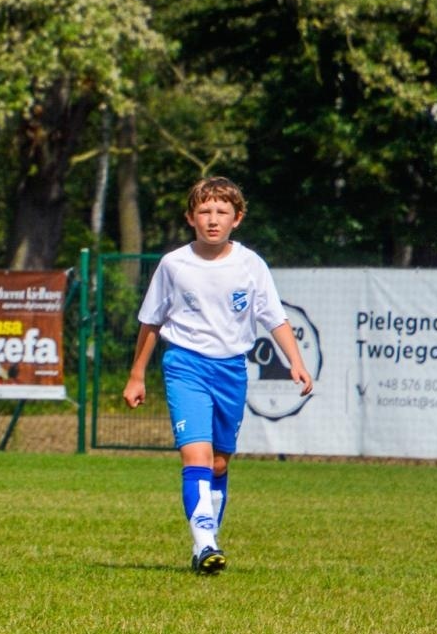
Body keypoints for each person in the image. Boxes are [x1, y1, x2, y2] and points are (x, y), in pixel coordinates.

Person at [123, 176, 314, 574]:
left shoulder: (250, 264)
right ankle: (206, 542)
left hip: (231, 369)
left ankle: (203, 546)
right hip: (185, 365)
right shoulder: (174, 264)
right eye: (204, 211)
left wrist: (294, 360)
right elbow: (151, 321)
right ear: (190, 217)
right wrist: (137, 374)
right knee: (196, 455)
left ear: (237, 218)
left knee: (220, 464)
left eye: (221, 212)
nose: (213, 219)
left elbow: (274, 317)